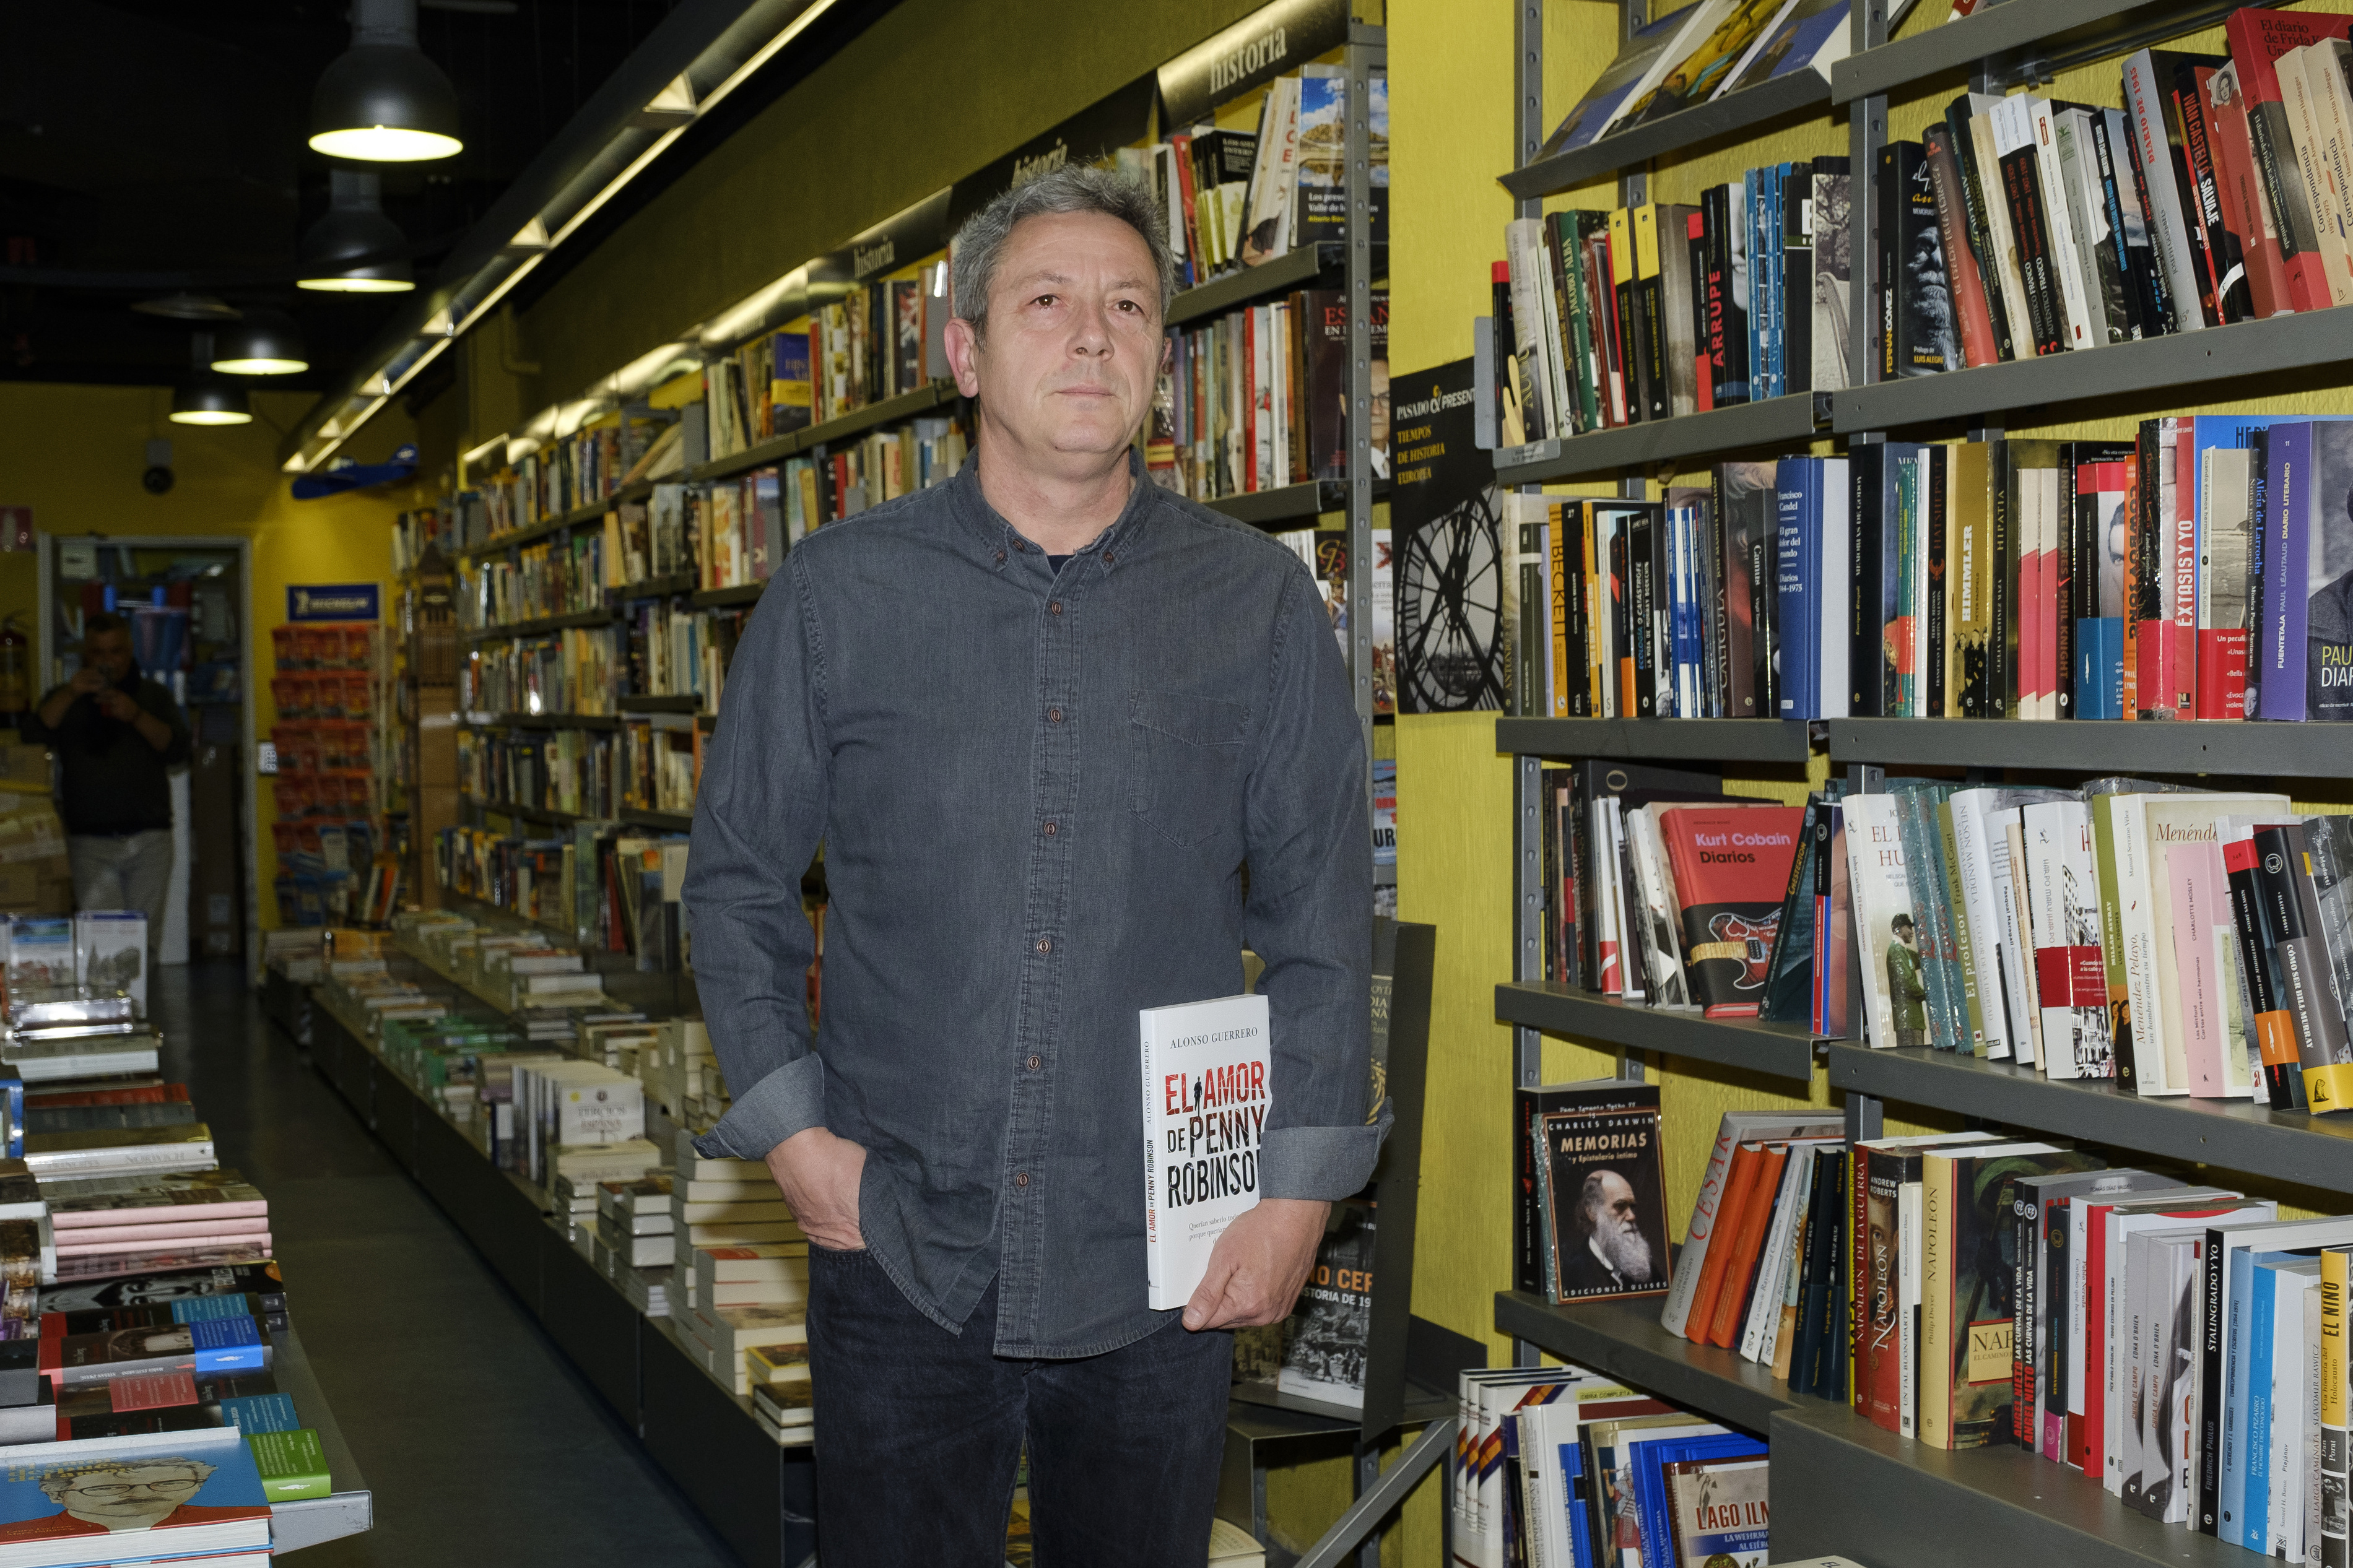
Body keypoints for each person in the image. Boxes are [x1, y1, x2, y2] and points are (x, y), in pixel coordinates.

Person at [683, 164, 1380, 1566]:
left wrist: (1297, 1192)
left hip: (1161, 1269)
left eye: (1128, 306)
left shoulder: (1258, 607)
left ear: (1162, 363)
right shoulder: (831, 595)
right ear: (962, 352)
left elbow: (1318, 919)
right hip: (897, 1250)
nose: (1090, 334)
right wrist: (797, 1139)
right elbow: (735, 879)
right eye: (1046, 299)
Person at [20, 613, 190, 962]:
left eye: (115, 652)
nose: (107, 661)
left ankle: (142, 1014)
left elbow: (179, 751)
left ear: (129, 652)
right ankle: (112, 1015)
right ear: (86, 655)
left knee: (143, 945)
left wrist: (136, 716)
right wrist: (71, 692)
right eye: (98, 653)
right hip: (89, 844)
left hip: (149, 840)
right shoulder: (67, 697)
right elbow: (33, 738)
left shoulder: (152, 696)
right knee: (102, 944)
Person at [0, 1457, 251, 1540]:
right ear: (56, 1495)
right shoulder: (12, 1538)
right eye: (106, 1488)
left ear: (197, 1487)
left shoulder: (244, 1522)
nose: (141, 1494)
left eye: (168, 1483)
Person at [1557, 1169, 1656, 1297]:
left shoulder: (1646, 1268)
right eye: (1620, 1206)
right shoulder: (1574, 1273)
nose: (1632, 1216)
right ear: (1592, 1211)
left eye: (1631, 1207)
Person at [1887, 912, 1927, 1050]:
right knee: (1914, 1063)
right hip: (1908, 1021)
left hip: (1912, 1020)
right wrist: (1927, 995)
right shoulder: (1897, 951)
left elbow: (1923, 960)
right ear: (1899, 929)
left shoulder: (1903, 952)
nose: (1912, 932)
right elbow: (1906, 983)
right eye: (1909, 928)